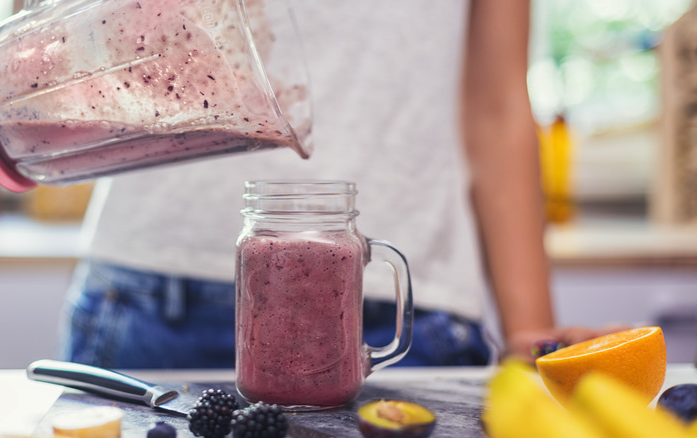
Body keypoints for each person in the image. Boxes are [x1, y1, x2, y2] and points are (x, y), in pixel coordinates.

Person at [59, 0, 615, 369]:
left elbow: (496, 110)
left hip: (403, 318)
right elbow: (63, 42)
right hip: (150, 299)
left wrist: (537, 337)